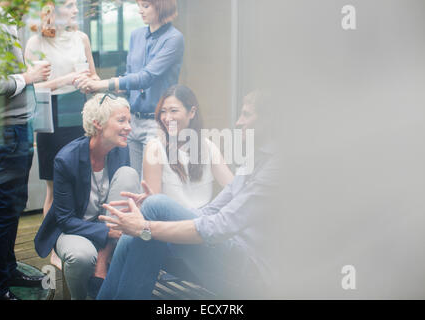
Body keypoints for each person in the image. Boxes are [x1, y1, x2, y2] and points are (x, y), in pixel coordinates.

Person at [96, 91, 279, 299]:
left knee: (151, 214)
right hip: (200, 233)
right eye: (163, 111)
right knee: (141, 227)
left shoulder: (275, 168)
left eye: (246, 115)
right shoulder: (254, 161)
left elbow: (222, 223)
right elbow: (216, 207)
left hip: (245, 261)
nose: (238, 122)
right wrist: (154, 219)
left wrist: (147, 225)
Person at [0, 2, 51, 300]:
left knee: (13, 206)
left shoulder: (6, 21)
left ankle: (6, 269)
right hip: (5, 129)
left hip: (18, 126)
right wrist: (28, 77)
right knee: (4, 209)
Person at [34, 94, 140, 300]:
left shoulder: (120, 150)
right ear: (98, 124)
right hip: (75, 228)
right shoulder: (66, 159)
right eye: (121, 121)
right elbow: (65, 220)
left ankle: (104, 264)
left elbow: (121, 201)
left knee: (129, 174)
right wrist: (107, 230)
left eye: (129, 121)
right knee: (81, 256)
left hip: (107, 223)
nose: (129, 127)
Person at [24, 0, 100, 268]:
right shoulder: (36, 43)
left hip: (80, 112)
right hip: (51, 117)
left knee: (82, 185)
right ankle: (53, 249)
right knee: (54, 189)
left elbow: (93, 76)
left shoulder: (82, 38)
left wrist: (88, 83)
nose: (76, 9)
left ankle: (80, 242)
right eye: (69, 4)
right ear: (51, 10)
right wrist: (68, 79)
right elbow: (35, 86)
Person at [75, 0, 184, 178]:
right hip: (132, 122)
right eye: (139, 6)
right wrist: (97, 83)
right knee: (132, 179)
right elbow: (129, 80)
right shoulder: (136, 35)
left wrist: (103, 83)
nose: (140, 11)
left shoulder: (173, 38)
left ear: (161, 7)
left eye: (146, 6)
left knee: (151, 183)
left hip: (157, 123)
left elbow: (145, 78)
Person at [143, 85, 233, 209]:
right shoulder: (155, 148)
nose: (167, 118)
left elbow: (232, 188)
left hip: (202, 220)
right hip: (170, 223)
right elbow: (154, 205)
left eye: (173, 111)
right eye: (163, 111)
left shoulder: (208, 146)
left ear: (191, 112)